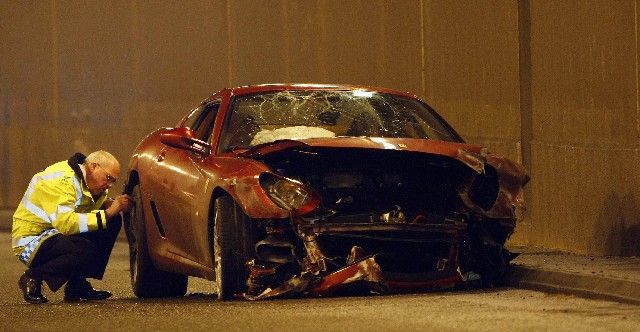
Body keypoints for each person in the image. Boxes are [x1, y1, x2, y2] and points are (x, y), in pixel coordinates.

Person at [11, 150, 133, 304]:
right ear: (94, 167)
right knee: (85, 248)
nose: (109, 184)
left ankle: (77, 285)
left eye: (113, 181)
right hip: (30, 240)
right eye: (108, 178)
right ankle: (34, 276)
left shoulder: (87, 181)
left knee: (112, 222)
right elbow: (66, 224)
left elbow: (80, 208)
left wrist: (106, 204)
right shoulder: (61, 180)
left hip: (53, 233)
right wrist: (108, 212)